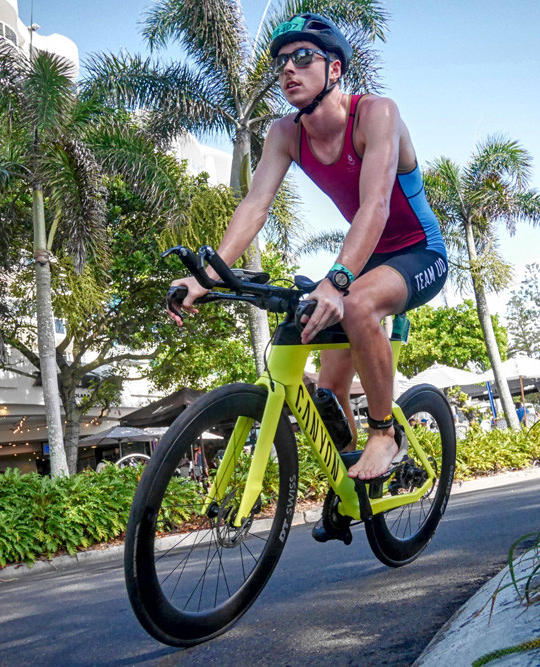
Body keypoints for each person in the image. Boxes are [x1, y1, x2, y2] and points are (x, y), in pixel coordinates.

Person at [169, 13, 448, 484]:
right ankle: (351, 485)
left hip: (419, 251)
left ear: (334, 69)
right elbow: (255, 206)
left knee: (355, 304)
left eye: (303, 57)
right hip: (366, 259)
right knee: (330, 386)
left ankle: (384, 434)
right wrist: (207, 276)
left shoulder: (376, 113)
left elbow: (376, 205)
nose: (288, 70)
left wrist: (338, 280)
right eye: (281, 62)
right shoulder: (285, 133)